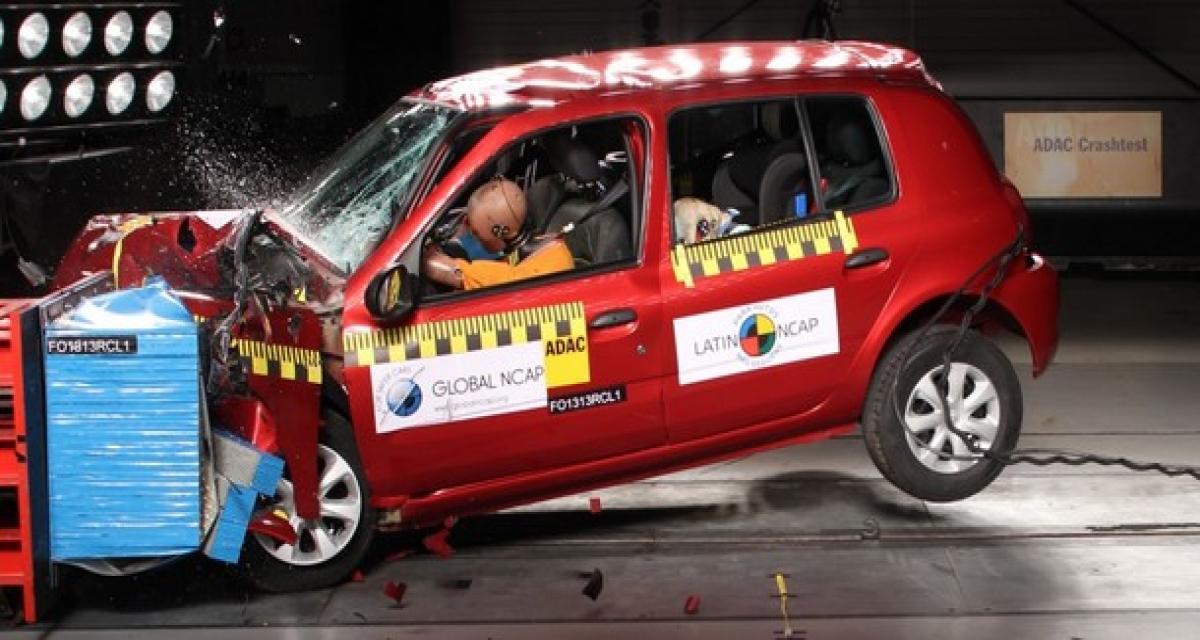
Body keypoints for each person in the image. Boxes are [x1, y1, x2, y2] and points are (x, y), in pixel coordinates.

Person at [423, 177, 574, 290]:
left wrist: (428, 256)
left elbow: (454, 273)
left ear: (499, 231)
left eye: (476, 232)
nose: (474, 237)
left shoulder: (539, 272)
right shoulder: (548, 249)